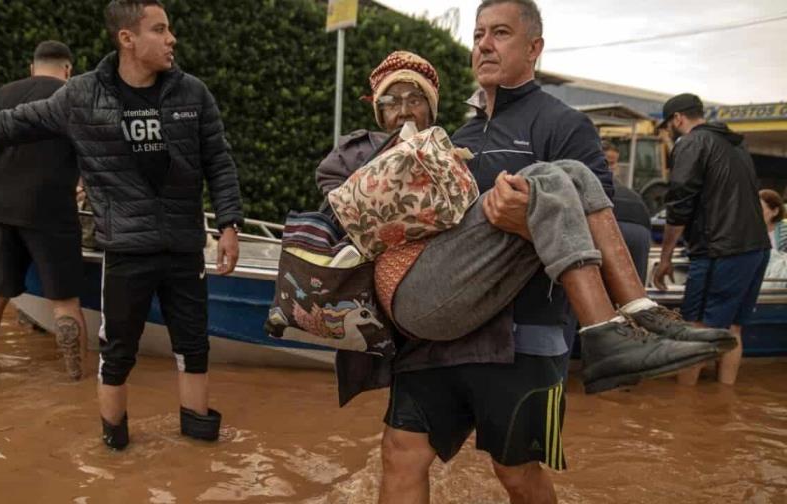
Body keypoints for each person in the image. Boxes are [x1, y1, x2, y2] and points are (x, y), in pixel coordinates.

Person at [318, 34, 726, 504]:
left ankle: (634, 314)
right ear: (377, 109)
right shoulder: (368, 150)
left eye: (415, 99)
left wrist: (525, 220)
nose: (404, 110)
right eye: (392, 101)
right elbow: (343, 214)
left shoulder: (547, 125)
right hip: (427, 329)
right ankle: (607, 332)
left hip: (518, 337)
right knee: (402, 452)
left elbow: (592, 212)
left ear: (535, 47)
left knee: (517, 473)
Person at [0, 0, 243, 450]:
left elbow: (220, 162)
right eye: (160, 29)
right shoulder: (80, 96)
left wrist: (230, 223)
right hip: (125, 251)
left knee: (194, 350)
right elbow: (2, 125)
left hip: (184, 246)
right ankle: (116, 453)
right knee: (117, 356)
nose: (172, 38)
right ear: (127, 39)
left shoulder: (193, 94)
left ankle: (197, 452)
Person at [0, 41, 88, 382]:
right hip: (52, 210)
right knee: (64, 301)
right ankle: (76, 381)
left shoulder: (0, 95)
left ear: (32, 68)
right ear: (68, 70)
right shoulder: (76, 99)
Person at [653, 93, 771, 387]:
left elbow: (680, 203)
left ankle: (683, 410)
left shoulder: (691, 143)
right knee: (732, 329)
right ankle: (723, 401)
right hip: (756, 247)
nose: (669, 133)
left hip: (720, 249)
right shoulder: (737, 145)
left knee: (696, 327)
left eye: (667, 126)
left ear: (677, 119)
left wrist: (665, 258)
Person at [602, 141, 652, 282]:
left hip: (614, 226)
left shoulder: (594, 185)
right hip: (641, 229)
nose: (611, 168)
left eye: (613, 163)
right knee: (635, 288)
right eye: (609, 163)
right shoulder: (629, 193)